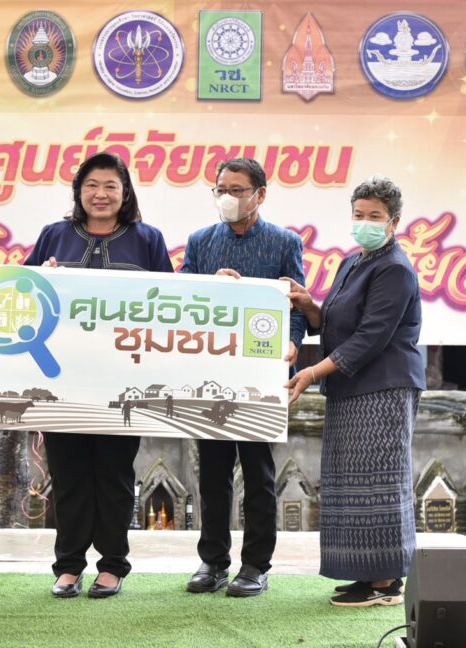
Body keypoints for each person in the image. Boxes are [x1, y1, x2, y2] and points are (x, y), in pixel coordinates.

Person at [24, 152, 174, 598]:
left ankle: (112, 566)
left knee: (114, 476)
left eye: (111, 185)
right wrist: (40, 277)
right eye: (91, 185)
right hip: (60, 382)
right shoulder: (53, 235)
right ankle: (68, 566)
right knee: (68, 476)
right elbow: (22, 292)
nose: (101, 194)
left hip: (124, 383)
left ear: (125, 192)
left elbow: (174, 301)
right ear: (78, 191)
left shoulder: (148, 239)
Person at [284, 175, 425, 607]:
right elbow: (335, 322)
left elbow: (369, 338)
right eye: (359, 214)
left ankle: (386, 582)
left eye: (375, 216)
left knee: (379, 483)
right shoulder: (353, 262)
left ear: (394, 222)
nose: (365, 222)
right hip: (352, 387)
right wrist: (309, 305)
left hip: (383, 389)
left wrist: (310, 373)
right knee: (351, 484)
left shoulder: (395, 269)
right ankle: (367, 574)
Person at [180, 157, 306, 597]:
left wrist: (293, 342)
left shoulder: (284, 242)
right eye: (221, 190)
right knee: (212, 473)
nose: (227, 198)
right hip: (211, 373)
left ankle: (255, 565)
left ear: (260, 195)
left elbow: (295, 304)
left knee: (258, 473)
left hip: (261, 376)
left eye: (237, 190)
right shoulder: (200, 242)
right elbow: (180, 298)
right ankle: (213, 561)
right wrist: (208, 285)